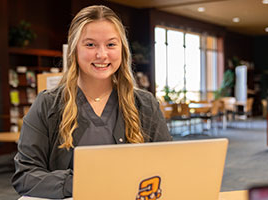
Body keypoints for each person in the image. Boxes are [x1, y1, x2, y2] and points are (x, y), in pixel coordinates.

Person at [12, 5, 172, 199]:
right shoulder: (47, 104)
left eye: (111, 45)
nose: (102, 55)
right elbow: (25, 175)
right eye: (90, 45)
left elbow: (166, 167)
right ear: (74, 50)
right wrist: (85, 182)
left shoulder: (145, 104)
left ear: (122, 49)